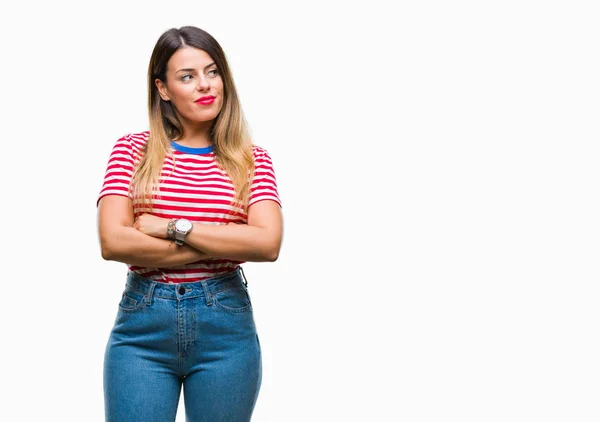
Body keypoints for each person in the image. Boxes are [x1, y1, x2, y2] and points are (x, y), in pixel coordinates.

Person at [96, 26, 283, 421]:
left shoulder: (251, 159)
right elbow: (113, 241)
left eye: (212, 72)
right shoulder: (133, 150)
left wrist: (170, 227)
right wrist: (227, 239)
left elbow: (267, 245)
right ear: (163, 89)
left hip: (225, 330)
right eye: (188, 76)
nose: (204, 85)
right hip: (142, 329)